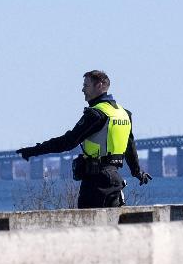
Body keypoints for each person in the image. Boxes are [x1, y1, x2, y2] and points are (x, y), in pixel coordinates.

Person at [17, 70, 152, 209]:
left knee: (88, 226)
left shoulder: (96, 114)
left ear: (99, 86)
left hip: (96, 182)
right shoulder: (124, 114)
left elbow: (68, 142)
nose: (82, 90)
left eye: (86, 86)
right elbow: (130, 146)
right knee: (111, 227)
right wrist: (137, 172)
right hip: (115, 181)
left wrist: (34, 150)